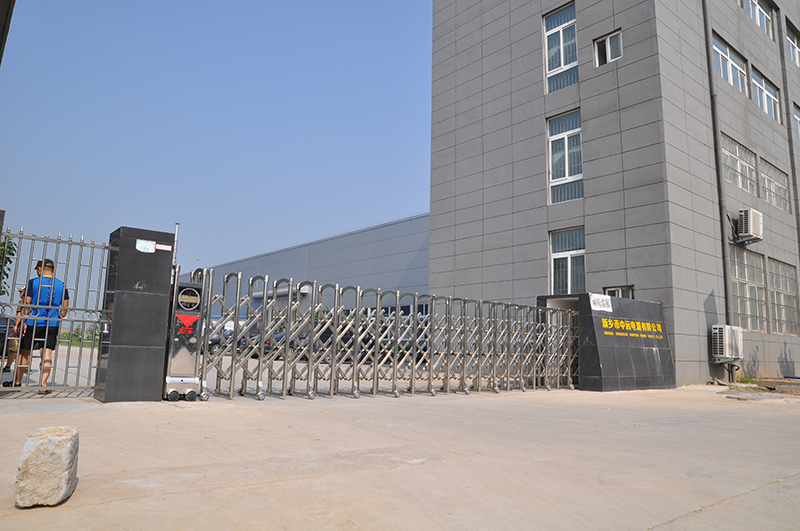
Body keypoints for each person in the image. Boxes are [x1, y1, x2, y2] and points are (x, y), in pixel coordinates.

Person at [13, 259, 69, 393]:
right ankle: (43, 386)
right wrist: (58, 315)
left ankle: (17, 383)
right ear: (53, 270)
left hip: (34, 321)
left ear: (40, 269)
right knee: (47, 353)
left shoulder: (33, 282)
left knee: (25, 352)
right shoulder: (61, 285)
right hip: (52, 323)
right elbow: (64, 309)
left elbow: (26, 304)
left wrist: (24, 319)